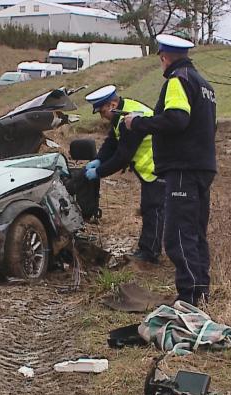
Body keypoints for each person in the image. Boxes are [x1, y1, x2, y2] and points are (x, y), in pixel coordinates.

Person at [124, 34, 217, 306]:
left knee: (178, 235)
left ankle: (187, 298)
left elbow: (177, 118)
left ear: (165, 57)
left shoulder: (178, 80)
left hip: (182, 169)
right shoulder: (205, 85)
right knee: (196, 233)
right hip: (202, 167)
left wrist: (139, 123)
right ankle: (201, 293)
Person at [84, 85, 164, 264]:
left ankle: (150, 254)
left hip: (157, 167)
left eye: (102, 111)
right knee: (152, 209)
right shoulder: (121, 114)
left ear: (112, 105)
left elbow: (122, 156)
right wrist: (98, 159)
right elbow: (112, 141)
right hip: (152, 168)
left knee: (153, 209)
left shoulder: (131, 119)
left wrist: (99, 172)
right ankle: (150, 249)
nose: (101, 116)